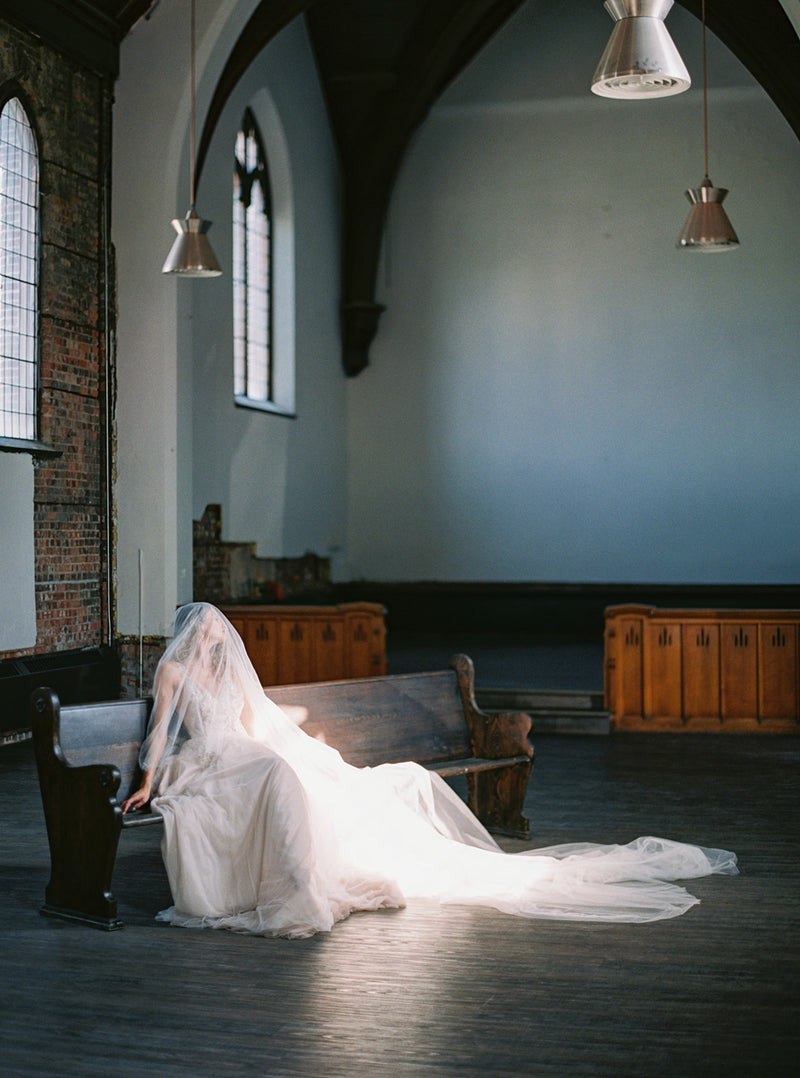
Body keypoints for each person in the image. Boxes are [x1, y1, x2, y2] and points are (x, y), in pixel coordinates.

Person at [122, 602, 737, 938]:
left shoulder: (227, 673)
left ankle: (297, 880)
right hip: (208, 761)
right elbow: (159, 734)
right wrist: (149, 781)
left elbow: (257, 727)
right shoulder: (174, 674)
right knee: (280, 778)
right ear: (186, 637)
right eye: (201, 632)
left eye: (214, 632)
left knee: (335, 778)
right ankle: (288, 886)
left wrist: (301, 748)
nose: (210, 640)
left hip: (245, 753)